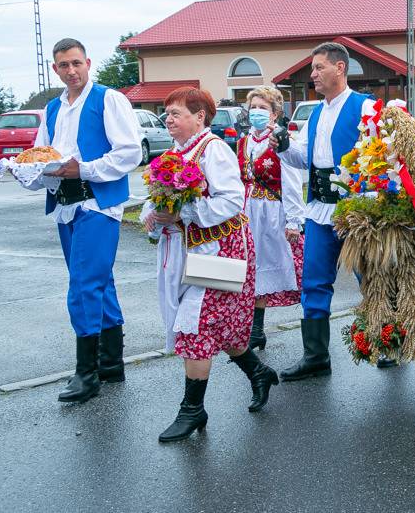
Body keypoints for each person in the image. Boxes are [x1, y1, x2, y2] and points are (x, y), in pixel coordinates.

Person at [141, 87, 278, 442]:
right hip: (189, 250)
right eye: (167, 114)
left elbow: (231, 201)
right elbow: (157, 194)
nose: (168, 120)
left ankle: (192, 410)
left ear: (200, 117)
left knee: (196, 325)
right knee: (223, 330)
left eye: (175, 113)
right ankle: (258, 373)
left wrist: (182, 213)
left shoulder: (213, 149)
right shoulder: (174, 152)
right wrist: (153, 213)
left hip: (222, 251)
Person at [30, 38, 141, 403]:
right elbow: (42, 157)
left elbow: (129, 152)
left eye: (77, 63)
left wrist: (85, 169)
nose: (72, 71)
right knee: (99, 284)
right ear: (55, 68)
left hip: (97, 203)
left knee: (83, 285)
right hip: (66, 205)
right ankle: (111, 364)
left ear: (88, 62)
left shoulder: (108, 99)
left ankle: (86, 372)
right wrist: (28, 171)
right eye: (64, 65)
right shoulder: (52, 108)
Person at [269, 42, 389, 379]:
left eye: (319, 67)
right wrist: (284, 147)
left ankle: (387, 342)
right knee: (314, 281)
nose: (313, 74)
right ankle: (316, 357)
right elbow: (303, 159)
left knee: (372, 278)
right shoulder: (317, 112)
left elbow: (383, 161)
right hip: (319, 209)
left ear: (340, 68)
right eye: (313, 68)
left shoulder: (365, 107)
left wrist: (376, 208)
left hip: (355, 210)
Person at [238, 86, 305, 351]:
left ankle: (257, 331)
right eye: (253, 107)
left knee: (268, 266)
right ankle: (254, 330)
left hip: (272, 212)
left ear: (275, 114)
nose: (256, 112)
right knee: (249, 270)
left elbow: (291, 182)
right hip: (246, 212)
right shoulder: (243, 142)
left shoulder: (281, 141)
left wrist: (293, 221)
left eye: (262, 108)